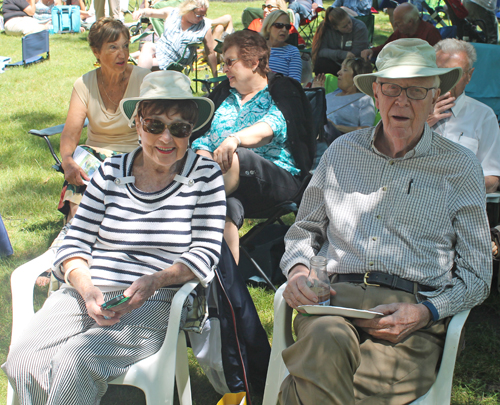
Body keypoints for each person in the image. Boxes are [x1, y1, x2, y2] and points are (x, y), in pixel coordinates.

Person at [278, 38, 491, 405]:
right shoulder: (342, 152)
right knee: (326, 339)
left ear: (435, 95)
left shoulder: (460, 167)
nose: (402, 101)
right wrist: (298, 271)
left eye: (416, 90)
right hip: (333, 303)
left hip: (410, 321)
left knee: (316, 378)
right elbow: (304, 229)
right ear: (376, 93)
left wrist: (426, 313)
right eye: (392, 88)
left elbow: (478, 274)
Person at [2, 70, 226, 405]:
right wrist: (86, 287)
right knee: (22, 361)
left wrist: (156, 280)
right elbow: (75, 240)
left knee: (76, 360)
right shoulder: (109, 172)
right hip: (87, 292)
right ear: (137, 124)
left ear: (190, 132)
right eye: (155, 125)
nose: (166, 138)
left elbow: (206, 252)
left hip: (155, 299)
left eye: (179, 128)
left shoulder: (204, 175)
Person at [191, 30, 314, 263]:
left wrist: (234, 139)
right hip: (227, 183)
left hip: (277, 180)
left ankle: (188, 202)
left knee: (239, 157)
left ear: (254, 62)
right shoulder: (225, 95)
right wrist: (204, 154)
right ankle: (227, 288)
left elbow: (271, 127)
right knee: (225, 208)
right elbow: (203, 136)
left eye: (230, 62)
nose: (224, 68)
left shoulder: (281, 90)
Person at [58, 18, 150, 223]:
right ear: (96, 52)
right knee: (80, 168)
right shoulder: (84, 84)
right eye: (113, 47)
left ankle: (75, 231)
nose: (123, 54)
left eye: (125, 46)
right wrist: (67, 161)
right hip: (94, 157)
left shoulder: (144, 79)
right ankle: (76, 227)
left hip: (134, 155)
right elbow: (70, 133)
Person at [428, 39, 500, 193]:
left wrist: (449, 186)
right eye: (441, 71)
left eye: (456, 73)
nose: (447, 80)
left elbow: (492, 179)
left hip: (461, 208)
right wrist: (423, 123)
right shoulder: (411, 109)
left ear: (469, 76)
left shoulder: (483, 116)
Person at [131, 0, 217, 76]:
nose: (201, 18)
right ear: (188, 9)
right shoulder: (173, 13)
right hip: (161, 50)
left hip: (176, 61)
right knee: (147, 46)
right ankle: (141, 83)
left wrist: (215, 76)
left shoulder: (204, 26)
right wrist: (142, 12)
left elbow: (210, 52)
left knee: (140, 66)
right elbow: (153, 13)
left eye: (204, 15)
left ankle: (140, 84)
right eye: (198, 15)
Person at [312, 56, 374, 141]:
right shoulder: (329, 96)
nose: (338, 72)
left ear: (357, 77)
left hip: (343, 141)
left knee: (325, 125)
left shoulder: (364, 99)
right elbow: (311, 114)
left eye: (345, 70)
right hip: (317, 136)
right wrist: (316, 93)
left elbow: (368, 130)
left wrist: (337, 127)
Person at [361, 2, 441, 61]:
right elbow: (387, 47)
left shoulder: (430, 33)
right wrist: (371, 50)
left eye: (398, 22)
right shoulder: (402, 31)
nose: (395, 25)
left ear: (410, 22)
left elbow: (438, 59)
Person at [312, 7, 369, 75]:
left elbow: (357, 53)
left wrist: (346, 61)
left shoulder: (359, 27)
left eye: (349, 22)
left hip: (352, 65)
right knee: (320, 63)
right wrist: (342, 54)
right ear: (335, 27)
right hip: (334, 62)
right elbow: (320, 51)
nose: (349, 26)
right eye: (345, 26)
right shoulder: (325, 29)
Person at [261, 10, 302, 82]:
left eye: (287, 27)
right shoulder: (258, 47)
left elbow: (295, 82)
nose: (284, 30)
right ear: (268, 27)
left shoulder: (292, 51)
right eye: (279, 25)